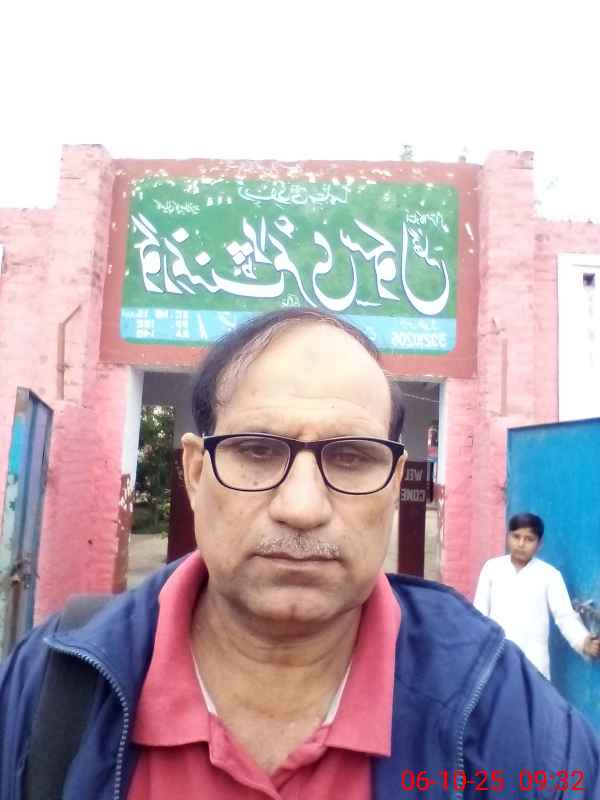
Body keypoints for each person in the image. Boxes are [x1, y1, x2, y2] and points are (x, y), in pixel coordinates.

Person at [1, 309, 599, 800]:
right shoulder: (55, 683)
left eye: (352, 457)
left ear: (394, 486)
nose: (303, 507)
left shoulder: (496, 705)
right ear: (194, 472)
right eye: (257, 450)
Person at [474, 512, 600, 679]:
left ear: (539, 544)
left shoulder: (549, 575)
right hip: (496, 659)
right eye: (516, 536)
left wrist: (583, 641)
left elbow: (565, 617)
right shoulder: (492, 569)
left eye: (529, 539)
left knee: (533, 695)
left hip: (534, 663)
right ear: (508, 537)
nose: (521, 544)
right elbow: (479, 615)